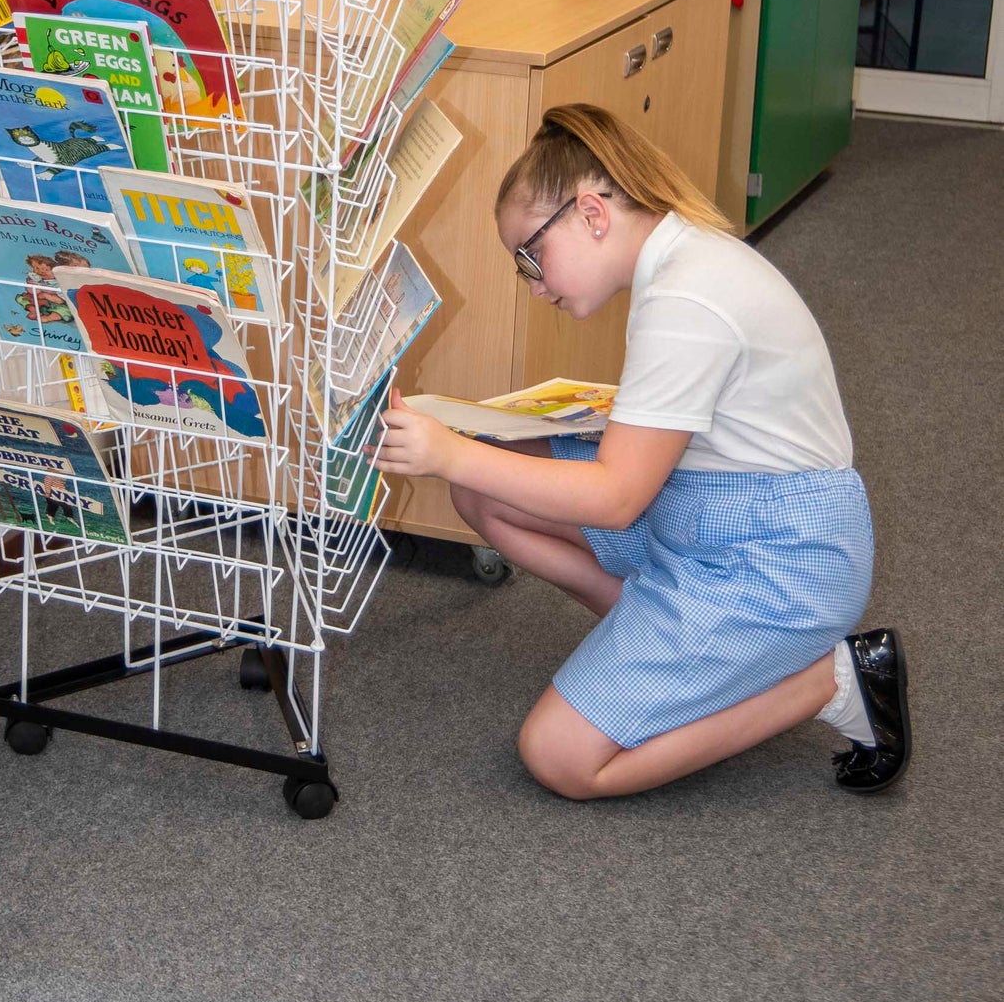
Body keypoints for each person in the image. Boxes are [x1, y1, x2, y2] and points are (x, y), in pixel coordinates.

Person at [376, 104, 909, 801]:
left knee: (560, 757)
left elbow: (615, 496)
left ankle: (829, 681)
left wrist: (445, 452)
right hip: (700, 513)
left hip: (776, 562)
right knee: (484, 491)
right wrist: (466, 449)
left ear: (591, 214)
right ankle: (666, 645)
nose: (534, 285)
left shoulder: (688, 297)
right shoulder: (679, 261)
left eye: (530, 258)